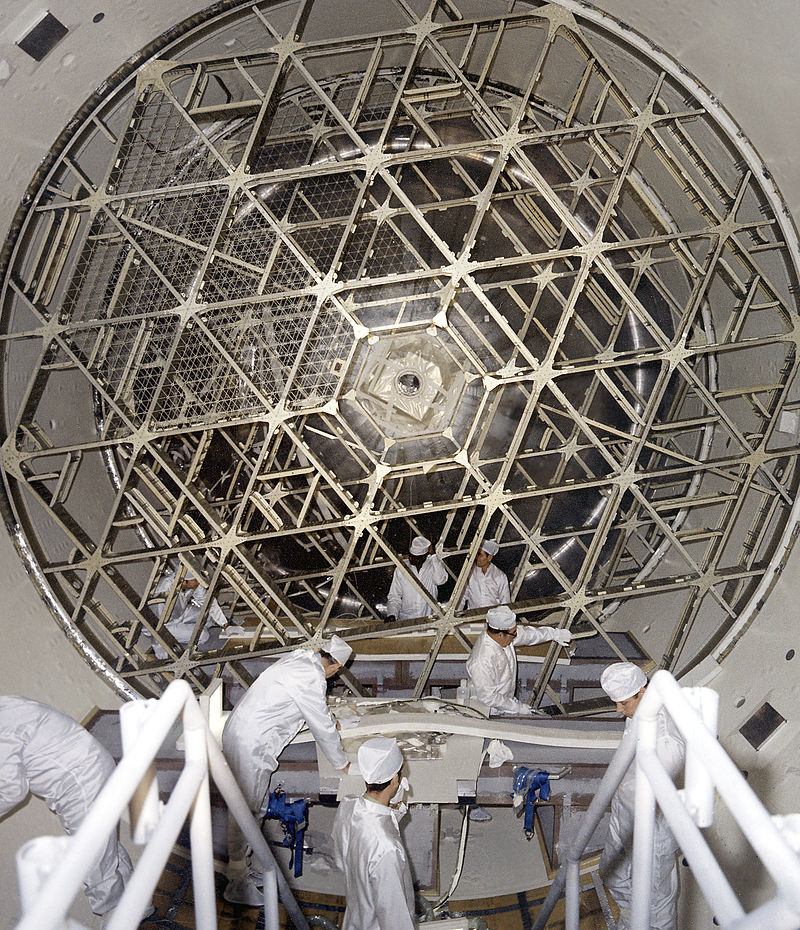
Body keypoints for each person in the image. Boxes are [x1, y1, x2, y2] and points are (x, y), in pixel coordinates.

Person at [222, 635, 353, 905]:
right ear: (336, 666)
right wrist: (342, 763)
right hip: (251, 743)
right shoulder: (310, 677)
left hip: (245, 732)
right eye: (336, 672)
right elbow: (320, 725)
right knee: (245, 812)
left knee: (250, 808)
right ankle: (235, 884)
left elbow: (299, 708)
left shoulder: (302, 659)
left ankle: (242, 871)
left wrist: (331, 720)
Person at [0, 696, 134, 916]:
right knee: (104, 850)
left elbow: (11, 790)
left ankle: (117, 916)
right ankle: (138, 907)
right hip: (90, 769)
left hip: (79, 782)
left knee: (92, 861)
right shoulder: (7, 705)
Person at [599, 662, 685, 930]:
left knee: (657, 901)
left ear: (643, 692)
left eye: (623, 703)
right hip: (624, 812)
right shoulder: (637, 713)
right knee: (612, 872)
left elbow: (657, 792)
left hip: (653, 826)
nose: (618, 710)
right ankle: (630, 918)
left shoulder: (667, 741)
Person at [332, 737, 415, 930]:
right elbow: (396, 920)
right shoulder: (387, 849)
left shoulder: (348, 804)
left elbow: (340, 859)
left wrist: (393, 810)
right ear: (396, 779)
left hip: (356, 915)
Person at [465, 605, 572, 715]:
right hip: (486, 711)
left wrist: (554, 634)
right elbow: (488, 697)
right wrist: (518, 708)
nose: (516, 635)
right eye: (514, 633)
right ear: (501, 634)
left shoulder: (500, 636)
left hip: (505, 703)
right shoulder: (481, 660)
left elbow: (527, 634)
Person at [151, 565, 227, 659]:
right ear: (183, 582)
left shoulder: (191, 582)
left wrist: (224, 624)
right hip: (165, 624)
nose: (198, 582)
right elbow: (156, 626)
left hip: (181, 612)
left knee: (208, 616)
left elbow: (207, 601)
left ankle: (185, 634)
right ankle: (181, 647)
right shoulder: (163, 590)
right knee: (203, 635)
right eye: (195, 579)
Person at [386, 535, 447, 622]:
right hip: (406, 620)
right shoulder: (401, 569)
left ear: (424, 557)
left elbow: (440, 580)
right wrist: (392, 614)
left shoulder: (433, 566)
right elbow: (394, 596)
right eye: (410, 555)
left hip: (429, 620)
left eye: (415, 558)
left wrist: (433, 556)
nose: (411, 558)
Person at [461, 539, 510, 611]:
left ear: (489, 557)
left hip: (493, 618)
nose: (477, 558)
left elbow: (505, 603)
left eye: (480, 555)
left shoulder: (500, 576)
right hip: (473, 619)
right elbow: (462, 597)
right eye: (476, 554)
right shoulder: (469, 573)